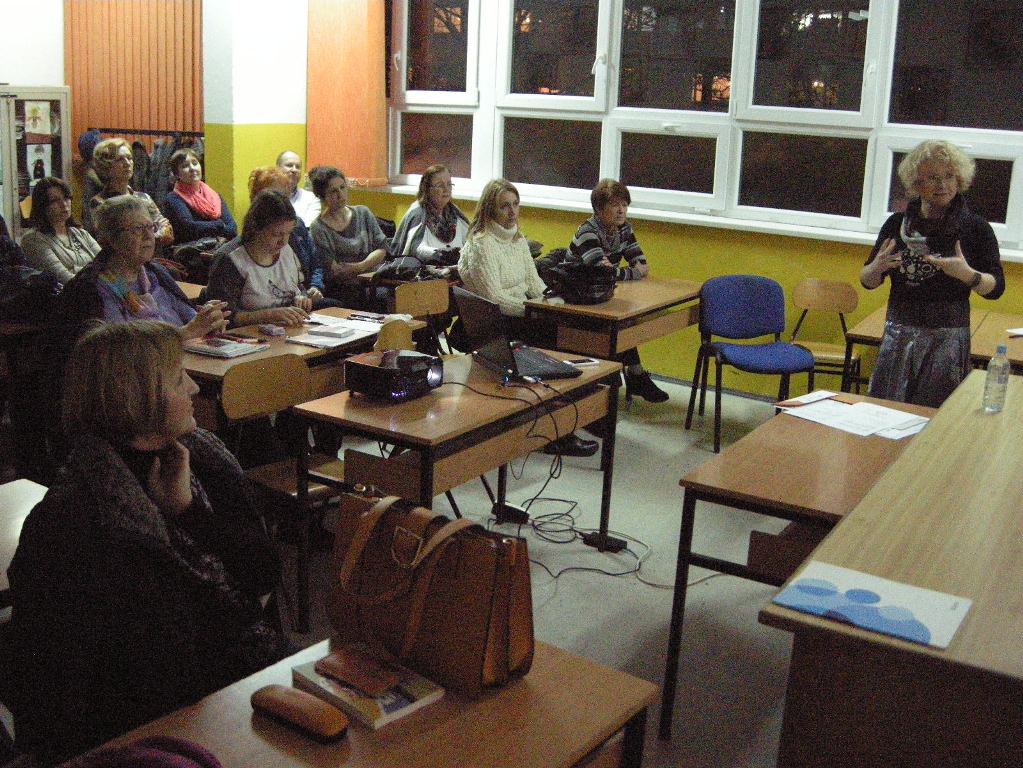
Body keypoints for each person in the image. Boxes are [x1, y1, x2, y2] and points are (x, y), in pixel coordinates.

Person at [5, 320, 290, 763]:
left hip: (233, 678)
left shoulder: (202, 458)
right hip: (156, 727)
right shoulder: (75, 520)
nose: (195, 387)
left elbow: (264, 572)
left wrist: (189, 514)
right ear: (134, 397)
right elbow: (73, 690)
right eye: (178, 379)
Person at [459, 178, 598, 458]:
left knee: (572, 332)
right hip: (495, 323)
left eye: (515, 204)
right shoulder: (482, 244)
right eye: (504, 206)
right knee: (556, 347)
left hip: (521, 314)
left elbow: (534, 283)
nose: (512, 211)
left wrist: (551, 301)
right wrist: (534, 310)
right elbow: (494, 299)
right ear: (490, 210)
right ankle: (557, 432)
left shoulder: (518, 239)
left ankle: (584, 415)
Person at [861, 140, 1005, 406]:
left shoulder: (975, 228)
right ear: (916, 183)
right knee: (885, 412)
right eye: (932, 178)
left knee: (937, 417)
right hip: (899, 334)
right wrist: (876, 268)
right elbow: (868, 281)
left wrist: (968, 275)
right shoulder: (896, 224)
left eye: (949, 176)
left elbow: (996, 288)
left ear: (959, 179)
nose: (943, 185)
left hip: (948, 339)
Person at [60, 195, 229, 339]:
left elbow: (191, 318)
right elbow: (118, 347)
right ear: (111, 239)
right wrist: (185, 333)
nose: (149, 235)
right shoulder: (95, 288)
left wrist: (209, 319)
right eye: (137, 229)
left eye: (150, 227)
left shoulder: (155, 275)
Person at [569, 179, 668, 403]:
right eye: (614, 205)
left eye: (624, 204)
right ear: (599, 208)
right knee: (620, 326)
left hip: (603, 296)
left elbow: (641, 264)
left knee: (625, 322)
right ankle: (632, 376)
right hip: (579, 301)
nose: (621, 210)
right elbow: (604, 273)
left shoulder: (624, 229)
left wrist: (618, 271)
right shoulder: (587, 232)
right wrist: (625, 272)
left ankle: (632, 376)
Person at [206, 190, 336, 327]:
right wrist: (268, 315)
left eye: (288, 233)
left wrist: (302, 297)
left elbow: (296, 285)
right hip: (250, 332)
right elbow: (224, 316)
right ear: (256, 228)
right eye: (276, 234)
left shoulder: (288, 247)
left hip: (287, 327)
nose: (283, 242)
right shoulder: (231, 259)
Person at [309, 166, 387, 308]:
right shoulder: (318, 228)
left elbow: (382, 249)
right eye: (333, 191)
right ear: (322, 195)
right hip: (342, 289)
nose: (340, 194)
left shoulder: (363, 213)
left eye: (342, 187)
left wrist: (360, 266)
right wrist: (366, 264)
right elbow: (335, 271)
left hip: (372, 281)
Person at [84, 138, 174, 246]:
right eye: (120, 159)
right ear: (106, 166)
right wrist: (153, 232)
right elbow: (118, 243)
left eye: (129, 158)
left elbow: (168, 233)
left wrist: (140, 235)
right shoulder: (99, 203)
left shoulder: (143, 197)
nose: (127, 163)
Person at [20, 177, 101, 285]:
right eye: (54, 200)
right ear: (42, 206)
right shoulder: (33, 239)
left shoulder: (81, 233)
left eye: (66, 198)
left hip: (98, 290)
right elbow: (63, 278)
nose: (64, 204)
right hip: (70, 293)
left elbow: (108, 267)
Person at [389, 164, 469, 260]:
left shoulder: (454, 213)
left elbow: (470, 240)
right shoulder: (418, 214)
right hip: (425, 267)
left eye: (449, 184)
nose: (446, 189)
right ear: (427, 189)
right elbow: (416, 249)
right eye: (440, 185)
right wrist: (440, 254)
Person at [162, 148, 237, 244]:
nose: (192, 168)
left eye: (195, 163)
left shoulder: (214, 196)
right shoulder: (173, 199)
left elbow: (232, 227)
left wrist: (214, 228)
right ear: (177, 174)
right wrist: (219, 225)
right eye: (185, 166)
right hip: (192, 250)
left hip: (218, 247)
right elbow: (190, 228)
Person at [277, 150, 321, 226]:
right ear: (277, 168)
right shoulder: (265, 196)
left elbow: (308, 229)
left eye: (298, 167)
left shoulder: (311, 199)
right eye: (289, 165)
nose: (294, 170)